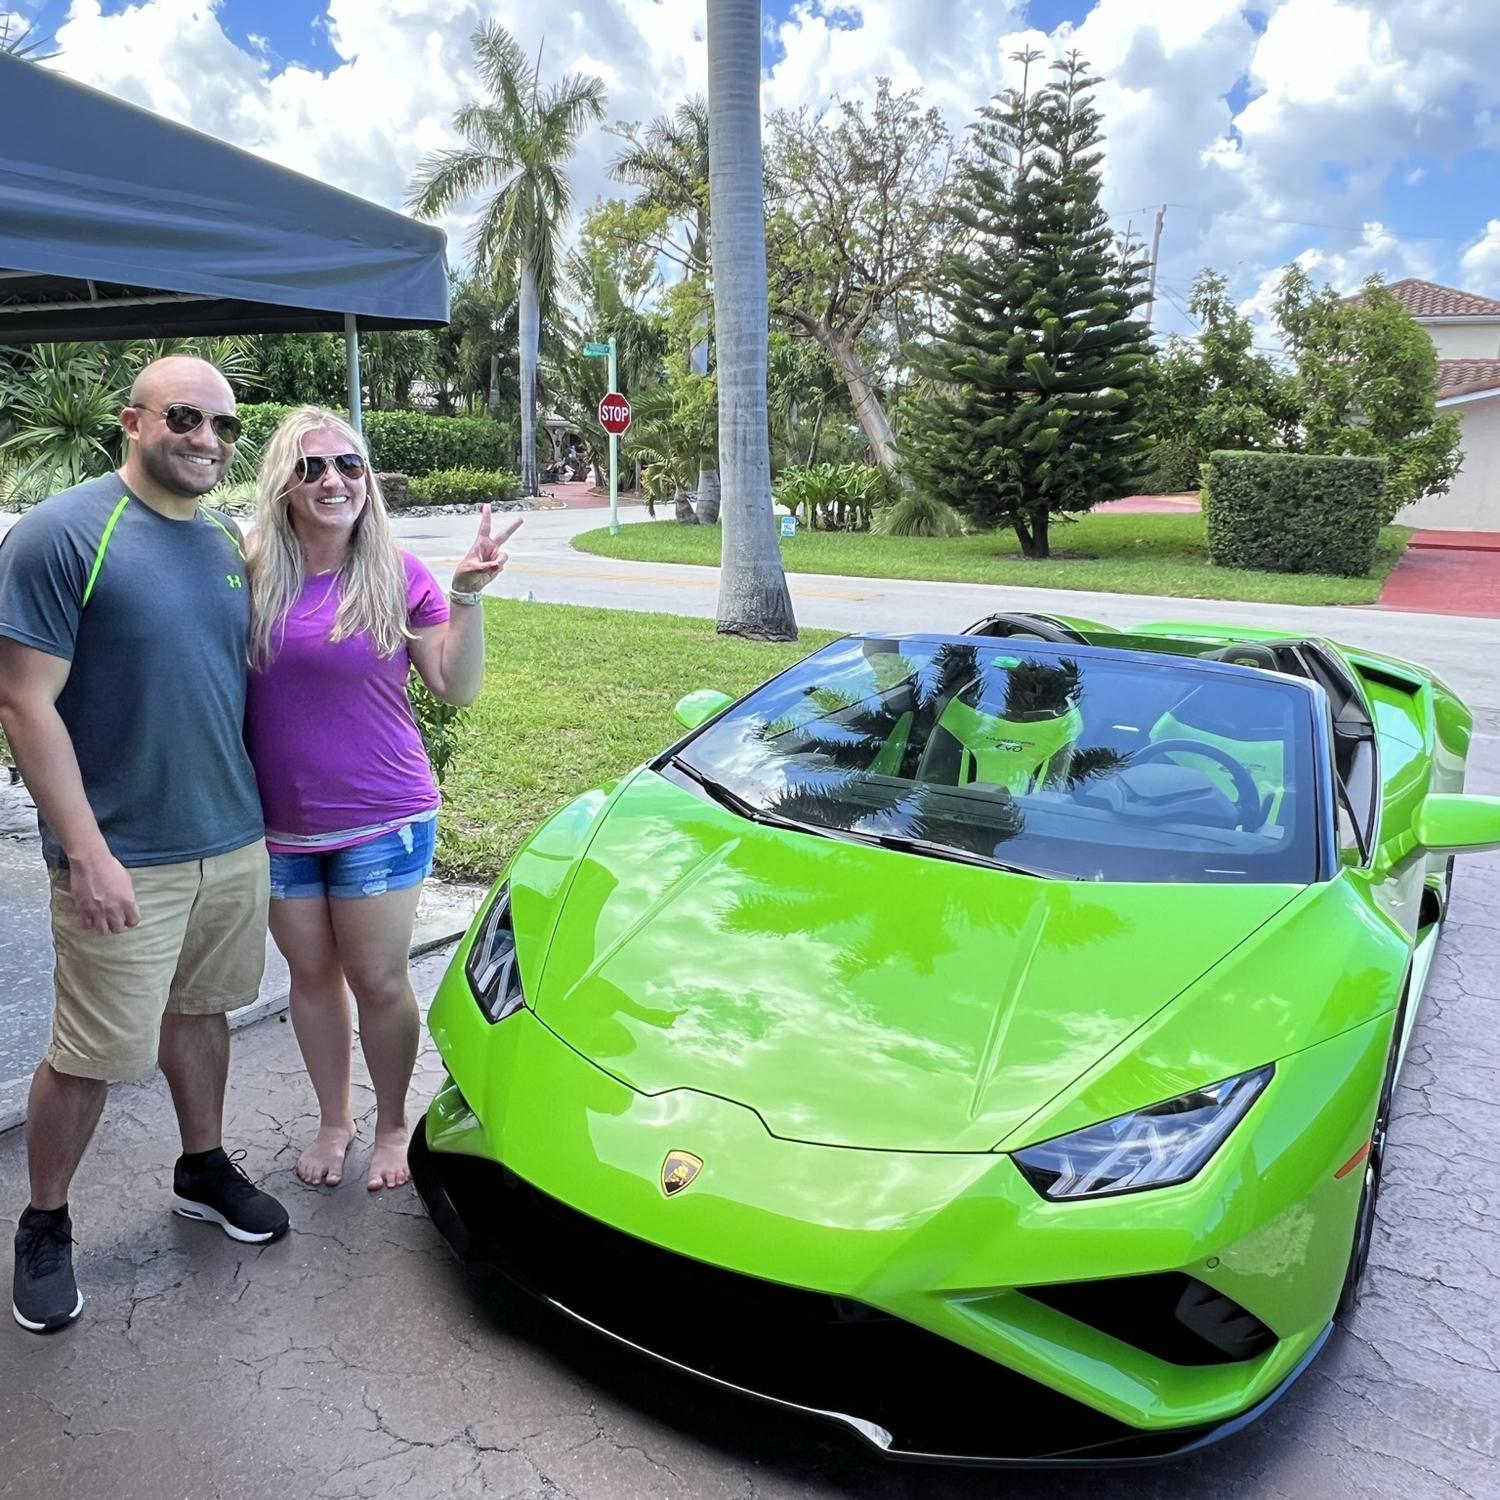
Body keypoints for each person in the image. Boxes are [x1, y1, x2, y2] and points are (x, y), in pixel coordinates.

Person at [0, 356, 289, 1336]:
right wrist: (84, 852)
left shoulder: (220, 541)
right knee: (91, 1053)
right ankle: (44, 1223)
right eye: (184, 417)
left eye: (225, 424)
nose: (207, 438)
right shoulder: (63, 533)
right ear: (133, 421)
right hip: (123, 854)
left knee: (202, 1015)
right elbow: (21, 700)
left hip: (229, 838)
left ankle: (202, 1167)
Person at [244, 406, 516, 1193]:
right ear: (284, 485)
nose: (335, 480)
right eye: (313, 467)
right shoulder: (252, 566)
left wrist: (467, 597)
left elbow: (454, 688)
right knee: (309, 976)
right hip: (278, 825)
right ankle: (335, 1120)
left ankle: (393, 1122)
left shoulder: (399, 573)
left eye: (350, 465)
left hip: (382, 818)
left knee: (379, 979)